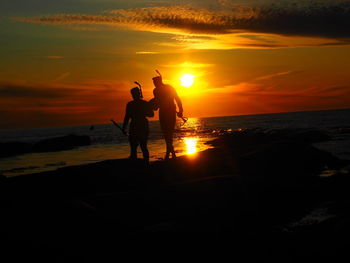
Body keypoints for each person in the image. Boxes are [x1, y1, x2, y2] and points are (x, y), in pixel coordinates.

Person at [151, 72, 183, 160]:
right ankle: (171, 153)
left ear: (159, 81)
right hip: (163, 112)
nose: (154, 84)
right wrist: (151, 105)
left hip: (170, 112)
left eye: (155, 82)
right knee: (166, 133)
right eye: (153, 83)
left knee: (169, 132)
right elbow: (157, 105)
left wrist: (181, 110)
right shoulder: (156, 90)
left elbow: (177, 98)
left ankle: (170, 153)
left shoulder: (168, 88)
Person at [122, 87, 154, 164]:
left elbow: (151, 114)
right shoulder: (134, 104)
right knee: (136, 147)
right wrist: (124, 127)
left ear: (137, 94)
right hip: (138, 126)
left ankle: (144, 163)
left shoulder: (132, 104)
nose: (133, 95)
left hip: (139, 126)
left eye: (134, 94)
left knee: (140, 147)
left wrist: (124, 127)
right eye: (132, 94)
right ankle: (142, 163)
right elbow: (127, 117)